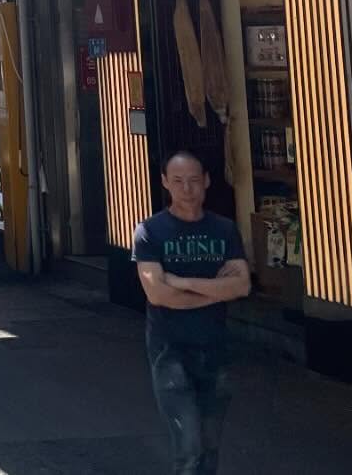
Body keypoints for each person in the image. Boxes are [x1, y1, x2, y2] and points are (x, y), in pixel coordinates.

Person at [134, 151, 250, 475]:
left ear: (207, 181)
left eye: (194, 181)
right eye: (178, 181)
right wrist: (214, 291)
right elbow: (157, 293)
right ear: (165, 183)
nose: (187, 189)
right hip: (169, 351)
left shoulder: (224, 229)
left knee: (210, 447)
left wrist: (182, 282)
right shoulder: (149, 232)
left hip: (216, 349)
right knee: (189, 446)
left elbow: (242, 286)